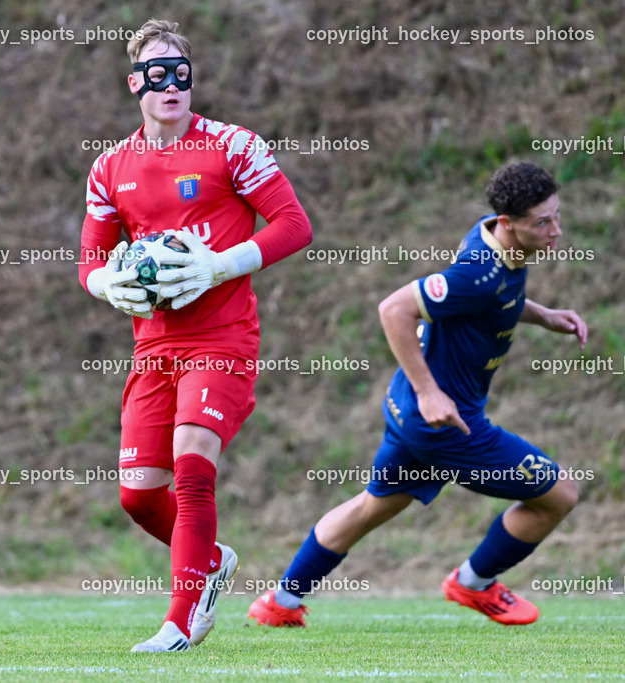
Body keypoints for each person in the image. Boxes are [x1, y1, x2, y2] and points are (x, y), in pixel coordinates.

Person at [249, 162, 585, 628]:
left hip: (407, 412)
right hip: (445, 424)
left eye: (556, 216)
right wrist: (431, 393)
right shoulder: (478, 271)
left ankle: (279, 603)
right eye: (543, 223)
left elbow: (486, 305)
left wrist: (543, 315)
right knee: (559, 495)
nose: (556, 231)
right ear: (508, 223)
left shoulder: (492, 238)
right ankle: (473, 583)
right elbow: (395, 309)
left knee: (373, 505)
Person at [79, 19, 313, 652]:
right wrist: (109, 286)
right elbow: (89, 261)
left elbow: (294, 225)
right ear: (136, 85)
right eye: (158, 74)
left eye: (182, 72)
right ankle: (209, 560)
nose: (172, 85)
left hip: (222, 338)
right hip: (154, 347)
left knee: (191, 466)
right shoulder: (110, 167)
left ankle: (180, 623)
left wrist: (218, 265)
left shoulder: (233, 146)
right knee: (137, 496)